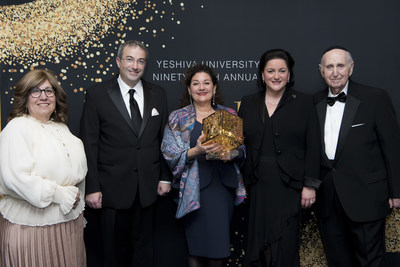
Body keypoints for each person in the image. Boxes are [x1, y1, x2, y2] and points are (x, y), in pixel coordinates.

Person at [79, 40, 171, 267]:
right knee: (113, 255)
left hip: (148, 189)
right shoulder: (97, 94)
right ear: (119, 61)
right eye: (130, 59)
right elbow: (89, 143)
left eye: (140, 61)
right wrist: (92, 187)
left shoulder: (158, 94)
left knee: (143, 254)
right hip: (111, 191)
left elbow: (164, 139)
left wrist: (165, 176)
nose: (135, 66)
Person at [314, 46, 400, 267]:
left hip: (367, 196)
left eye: (340, 66)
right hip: (328, 199)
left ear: (351, 69)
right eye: (329, 67)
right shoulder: (312, 103)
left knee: (371, 261)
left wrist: (395, 191)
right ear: (321, 71)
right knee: (338, 261)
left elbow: (391, 147)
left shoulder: (375, 98)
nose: (335, 72)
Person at [238, 49, 321, 267]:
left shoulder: (304, 102)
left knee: (284, 244)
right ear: (262, 74)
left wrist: (310, 185)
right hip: (257, 185)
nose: (276, 76)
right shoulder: (248, 102)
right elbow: (240, 145)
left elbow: (313, 145)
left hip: (289, 186)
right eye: (271, 71)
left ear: (289, 74)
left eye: (282, 71)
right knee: (258, 242)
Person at [161, 64, 246, 267]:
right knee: (196, 250)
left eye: (206, 83)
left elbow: (242, 149)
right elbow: (169, 153)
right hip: (193, 192)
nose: (202, 87)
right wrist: (196, 151)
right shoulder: (178, 118)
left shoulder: (229, 114)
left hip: (222, 189)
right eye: (196, 83)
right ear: (189, 89)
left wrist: (231, 154)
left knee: (219, 250)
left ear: (214, 88)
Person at [0, 69, 87, 267]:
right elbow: (15, 178)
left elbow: (76, 175)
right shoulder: (17, 128)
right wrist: (59, 195)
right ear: (25, 97)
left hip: (68, 225)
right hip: (31, 228)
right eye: (35, 91)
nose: (44, 97)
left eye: (49, 91)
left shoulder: (61, 128)